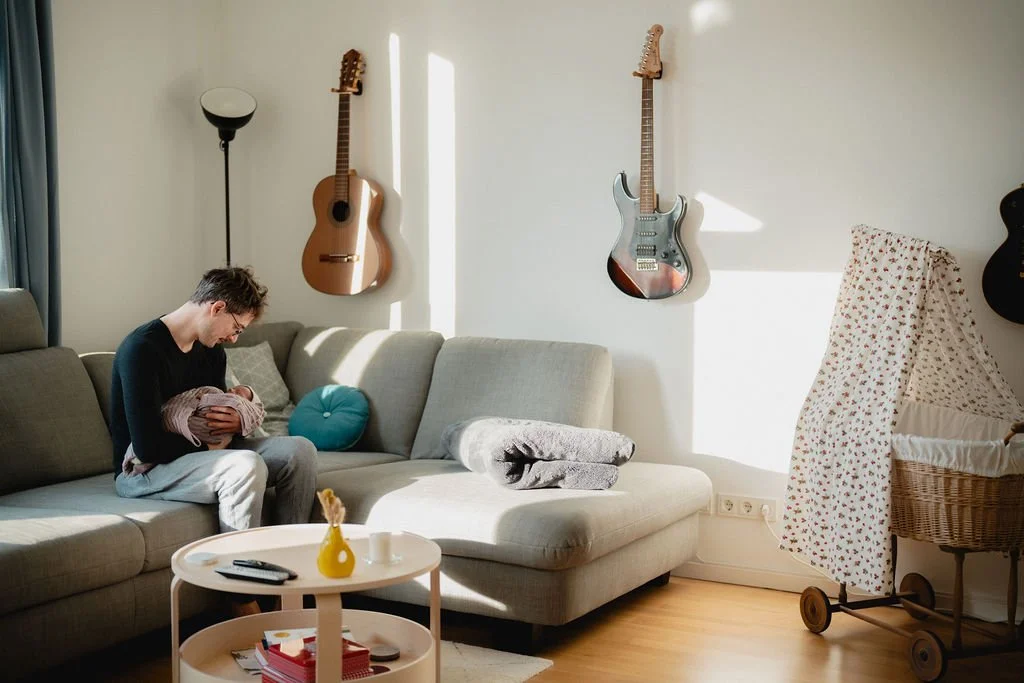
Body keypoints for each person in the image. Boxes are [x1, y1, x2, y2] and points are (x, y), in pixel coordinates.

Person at [110, 267, 317, 534]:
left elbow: (215, 416)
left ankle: (291, 545)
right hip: (143, 471)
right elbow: (147, 448)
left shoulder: (212, 351)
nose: (233, 338)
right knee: (245, 465)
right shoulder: (141, 349)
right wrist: (211, 445)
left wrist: (234, 422)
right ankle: (239, 558)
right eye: (236, 328)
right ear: (217, 308)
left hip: (198, 455)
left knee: (300, 451)